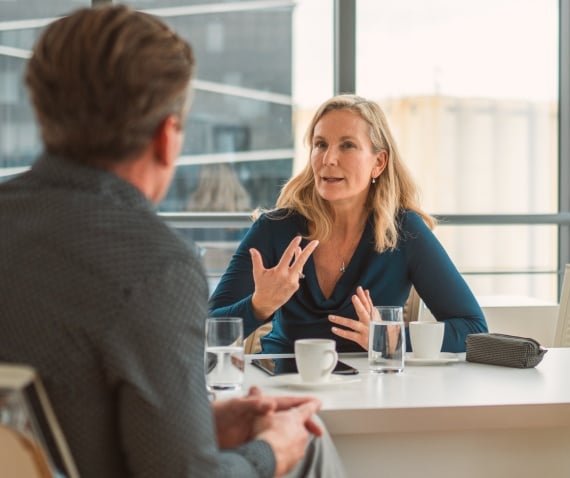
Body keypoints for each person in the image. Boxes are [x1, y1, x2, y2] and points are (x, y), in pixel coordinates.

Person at [0, 6, 345, 478]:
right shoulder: (154, 266)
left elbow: (62, 423)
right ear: (167, 137)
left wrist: (196, 426)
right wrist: (270, 452)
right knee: (307, 448)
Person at [209, 94, 488, 354]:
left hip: (370, 396)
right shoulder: (274, 229)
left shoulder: (405, 231)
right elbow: (203, 330)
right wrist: (259, 306)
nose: (328, 159)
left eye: (347, 145)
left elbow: (473, 329)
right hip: (285, 389)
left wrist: (390, 338)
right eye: (320, 145)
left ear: (378, 163)